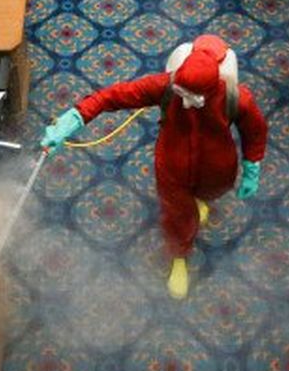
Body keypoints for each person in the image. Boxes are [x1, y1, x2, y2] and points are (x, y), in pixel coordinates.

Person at [41, 34, 267, 300]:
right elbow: (112, 96)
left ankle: (199, 203)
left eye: (190, 96)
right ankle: (180, 256)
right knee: (177, 217)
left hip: (217, 168)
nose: (183, 101)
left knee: (209, 194)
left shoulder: (236, 98)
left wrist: (252, 165)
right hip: (172, 167)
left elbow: (255, 131)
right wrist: (74, 118)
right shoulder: (167, 87)